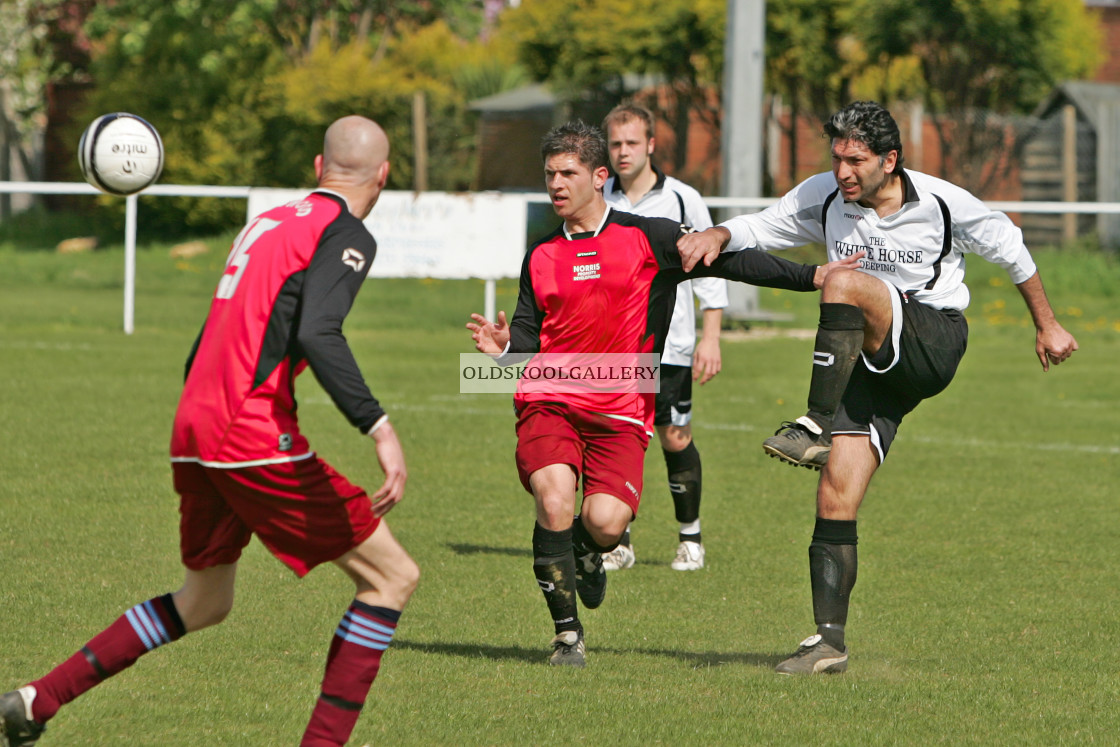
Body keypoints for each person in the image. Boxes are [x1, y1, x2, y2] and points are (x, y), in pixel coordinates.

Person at [0, 115, 420, 746]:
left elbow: (210, 340)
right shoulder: (345, 232)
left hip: (196, 425)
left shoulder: (270, 222)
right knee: (392, 577)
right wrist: (378, 426)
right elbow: (317, 332)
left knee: (205, 601)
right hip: (248, 432)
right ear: (383, 176)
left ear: (317, 167)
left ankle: (37, 700)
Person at [678, 100, 1079, 675]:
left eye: (856, 160)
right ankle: (829, 642)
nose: (843, 171)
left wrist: (1047, 323)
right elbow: (762, 227)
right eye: (838, 157)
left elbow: (1011, 249)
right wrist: (717, 233)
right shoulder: (825, 195)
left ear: (890, 160)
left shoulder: (943, 202)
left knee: (842, 280)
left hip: (932, 341)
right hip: (869, 364)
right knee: (836, 495)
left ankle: (813, 422)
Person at [467, 120, 860, 667]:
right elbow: (531, 339)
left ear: (599, 176)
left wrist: (812, 275)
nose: (556, 184)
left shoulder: (647, 236)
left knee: (605, 523)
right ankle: (566, 637)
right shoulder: (540, 255)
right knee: (554, 498)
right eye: (550, 174)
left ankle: (585, 552)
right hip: (548, 400)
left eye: (568, 173)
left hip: (622, 409)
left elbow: (730, 262)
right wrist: (508, 347)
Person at [600, 103, 728, 572]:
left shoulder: (682, 200)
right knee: (618, 437)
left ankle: (690, 539)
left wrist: (709, 338)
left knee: (673, 436)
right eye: (615, 144)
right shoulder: (599, 198)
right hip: (612, 348)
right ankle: (618, 541)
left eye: (632, 142)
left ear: (651, 144)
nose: (623, 152)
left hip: (669, 346)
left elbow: (711, 273)